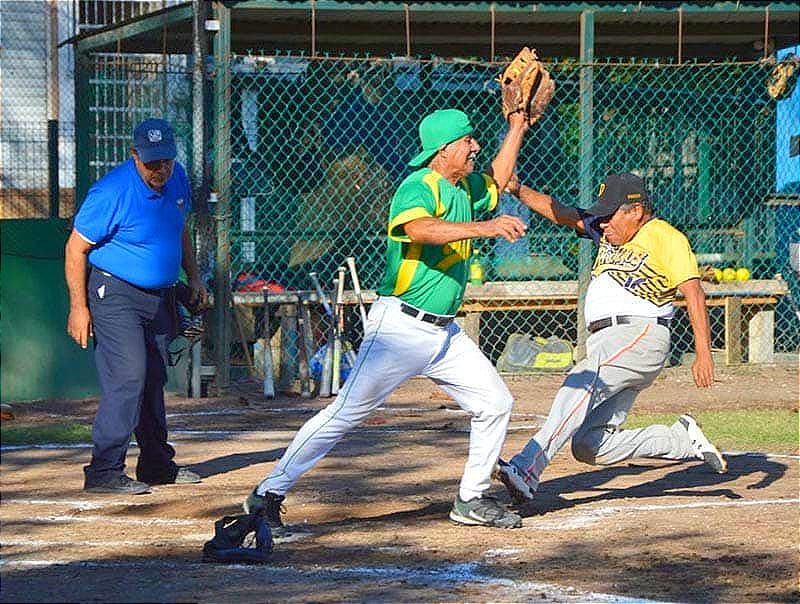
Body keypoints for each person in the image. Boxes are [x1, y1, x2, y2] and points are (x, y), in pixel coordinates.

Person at [244, 107, 536, 530]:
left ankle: (471, 498)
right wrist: (485, 228)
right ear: (442, 150)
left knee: (495, 403)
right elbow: (419, 229)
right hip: (400, 328)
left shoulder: (467, 187)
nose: (474, 146)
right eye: (466, 140)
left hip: (444, 334)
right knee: (347, 411)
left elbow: (499, 177)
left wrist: (516, 126)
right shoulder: (418, 186)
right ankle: (268, 492)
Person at [493, 172, 728, 504]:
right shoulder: (609, 232)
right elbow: (561, 212)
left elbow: (694, 291)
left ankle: (527, 468)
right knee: (589, 446)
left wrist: (704, 352)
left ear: (635, 210)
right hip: (609, 343)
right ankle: (678, 440)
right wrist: (517, 190)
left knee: (581, 380)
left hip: (639, 334)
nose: (603, 223)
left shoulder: (665, 236)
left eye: (610, 214)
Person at [65, 118, 208, 494]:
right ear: (134, 156)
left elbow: (179, 230)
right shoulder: (111, 192)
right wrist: (78, 308)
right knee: (128, 375)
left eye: (166, 161)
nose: (160, 169)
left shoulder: (177, 181)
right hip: (114, 294)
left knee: (155, 377)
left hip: (159, 295)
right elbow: (75, 249)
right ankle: (103, 471)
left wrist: (193, 278)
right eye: (151, 162)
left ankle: (157, 465)